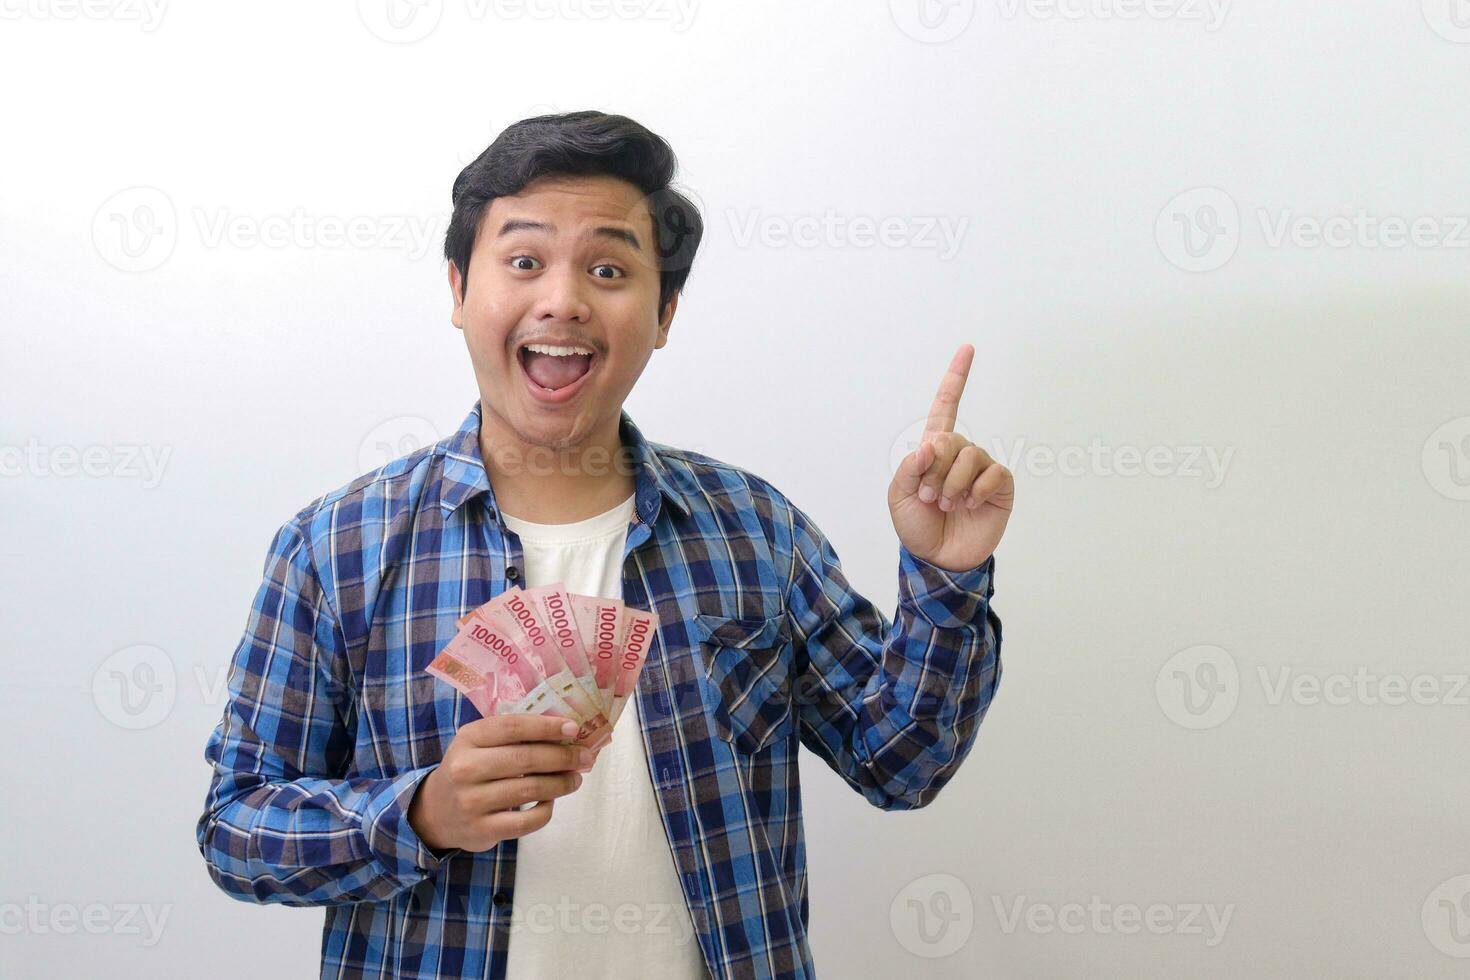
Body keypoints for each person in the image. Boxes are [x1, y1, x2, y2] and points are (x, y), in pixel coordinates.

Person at [195, 110, 1011, 980]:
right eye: (523, 260)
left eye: (609, 268)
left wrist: (945, 578)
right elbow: (237, 830)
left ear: (663, 313)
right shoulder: (336, 549)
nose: (563, 299)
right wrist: (421, 813)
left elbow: (901, 764)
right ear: (458, 289)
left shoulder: (755, 531)